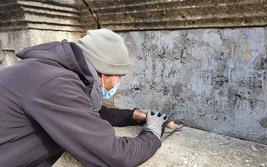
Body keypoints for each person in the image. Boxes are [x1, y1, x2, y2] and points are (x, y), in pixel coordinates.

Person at [0, 29, 169, 167]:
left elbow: (82, 112)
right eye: (119, 76)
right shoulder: (57, 85)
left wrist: (131, 116)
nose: (118, 82)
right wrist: (152, 133)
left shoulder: (47, 69)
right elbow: (115, 156)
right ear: (104, 72)